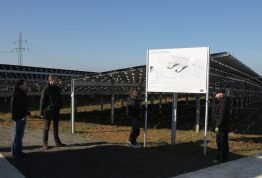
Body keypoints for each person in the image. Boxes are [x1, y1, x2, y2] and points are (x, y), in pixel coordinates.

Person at [40, 75, 65, 149]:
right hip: (48, 111)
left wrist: (61, 105)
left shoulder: (57, 88)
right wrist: (41, 112)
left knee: (55, 127)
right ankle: (45, 143)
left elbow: (60, 98)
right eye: (56, 80)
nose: (57, 81)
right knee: (47, 127)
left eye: (57, 80)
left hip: (56, 110)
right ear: (51, 80)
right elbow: (42, 101)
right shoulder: (46, 89)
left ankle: (57, 142)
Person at [11, 79, 31, 158]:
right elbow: (20, 107)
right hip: (19, 117)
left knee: (18, 136)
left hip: (20, 117)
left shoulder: (21, 93)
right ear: (20, 85)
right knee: (17, 136)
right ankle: (16, 153)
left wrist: (26, 113)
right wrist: (25, 113)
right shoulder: (18, 94)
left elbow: (22, 106)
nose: (26, 86)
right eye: (25, 85)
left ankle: (17, 151)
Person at [214, 89, 231, 162]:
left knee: (220, 141)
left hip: (221, 126)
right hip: (223, 125)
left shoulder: (224, 101)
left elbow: (222, 114)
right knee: (223, 141)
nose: (215, 96)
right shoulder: (223, 100)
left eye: (216, 95)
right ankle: (224, 156)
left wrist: (218, 125)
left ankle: (221, 157)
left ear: (220, 94)